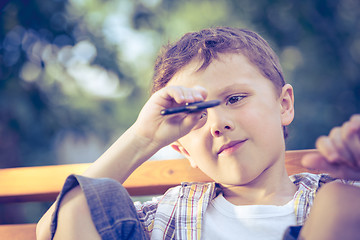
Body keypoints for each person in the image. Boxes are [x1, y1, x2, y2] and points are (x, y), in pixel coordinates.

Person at [36, 27, 360, 240]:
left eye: (235, 99)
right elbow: (57, 227)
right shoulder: (164, 215)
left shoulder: (340, 201)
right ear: (182, 149)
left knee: (340, 204)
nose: (218, 124)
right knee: (82, 203)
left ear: (284, 104)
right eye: (198, 117)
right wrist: (143, 137)